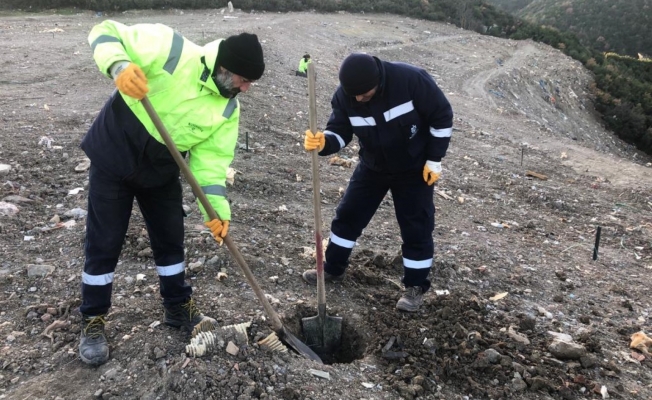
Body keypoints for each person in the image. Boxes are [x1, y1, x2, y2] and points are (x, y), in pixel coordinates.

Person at [79, 20, 265, 366]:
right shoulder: (171, 49)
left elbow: (210, 166)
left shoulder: (227, 109)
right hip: (115, 151)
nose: (246, 88)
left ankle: (178, 307)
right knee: (104, 242)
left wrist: (217, 210)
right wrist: (118, 65)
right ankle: (93, 320)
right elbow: (105, 32)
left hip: (162, 168)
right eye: (243, 80)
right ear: (226, 69)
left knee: (171, 240)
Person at [302, 53, 453, 312]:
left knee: (416, 225)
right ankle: (332, 269)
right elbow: (340, 131)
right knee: (348, 215)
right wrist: (324, 142)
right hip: (373, 166)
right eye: (355, 96)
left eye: (365, 94)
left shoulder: (410, 80)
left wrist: (434, 159)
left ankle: (415, 286)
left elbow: (442, 116)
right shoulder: (345, 96)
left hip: (414, 168)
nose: (360, 99)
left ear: (378, 80)